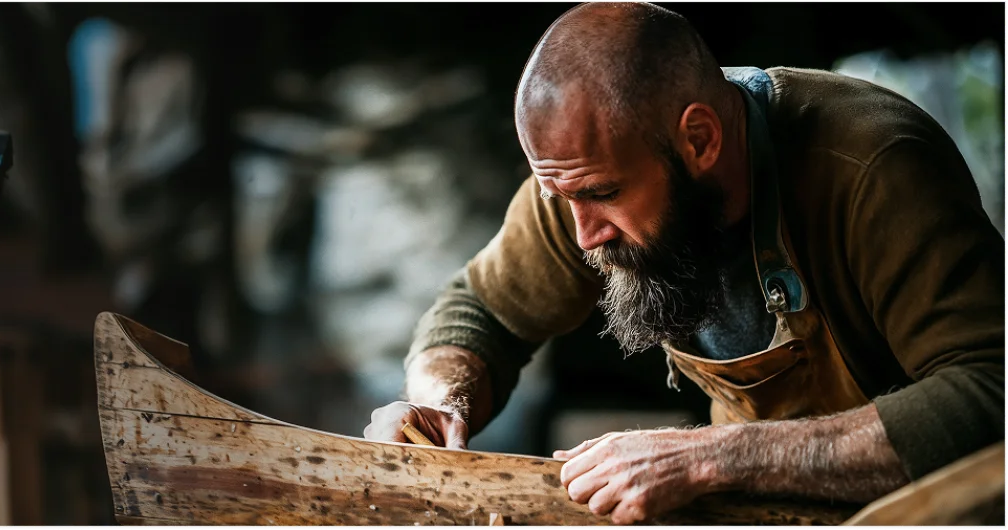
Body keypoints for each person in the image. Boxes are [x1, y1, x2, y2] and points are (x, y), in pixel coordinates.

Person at [363, 2, 1004, 524]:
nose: (584, 237)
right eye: (563, 198)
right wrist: (438, 401)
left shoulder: (873, 168)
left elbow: (990, 391)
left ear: (699, 139)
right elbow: (477, 312)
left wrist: (712, 456)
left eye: (604, 196)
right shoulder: (582, 174)